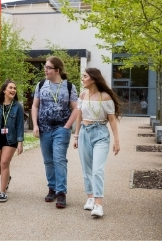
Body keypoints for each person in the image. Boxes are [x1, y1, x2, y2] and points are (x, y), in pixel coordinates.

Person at [73, 68, 121, 217]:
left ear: (93, 79)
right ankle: (90, 198)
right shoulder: (82, 95)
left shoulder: (105, 97)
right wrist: (76, 136)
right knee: (86, 168)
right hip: (84, 134)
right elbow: (79, 117)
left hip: (100, 133)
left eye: (85, 76)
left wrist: (117, 141)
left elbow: (112, 120)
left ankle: (98, 205)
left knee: (97, 170)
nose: (83, 79)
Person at [31, 56, 78, 209]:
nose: (45, 70)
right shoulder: (41, 85)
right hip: (44, 128)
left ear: (57, 70)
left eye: (48, 67)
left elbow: (76, 108)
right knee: (48, 160)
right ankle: (51, 188)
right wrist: (35, 125)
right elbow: (35, 106)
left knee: (59, 159)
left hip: (61, 128)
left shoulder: (69, 86)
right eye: (45, 67)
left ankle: (61, 192)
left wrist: (67, 126)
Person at [0, 80, 24, 202]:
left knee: (4, 163)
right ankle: (7, 178)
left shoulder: (17, 107)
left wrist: (20, 142)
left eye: (14, 88)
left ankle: (2, 192)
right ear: (4, 90)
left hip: (10, 139)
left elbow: (19, 126)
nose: (13, 90)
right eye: (11, 88)